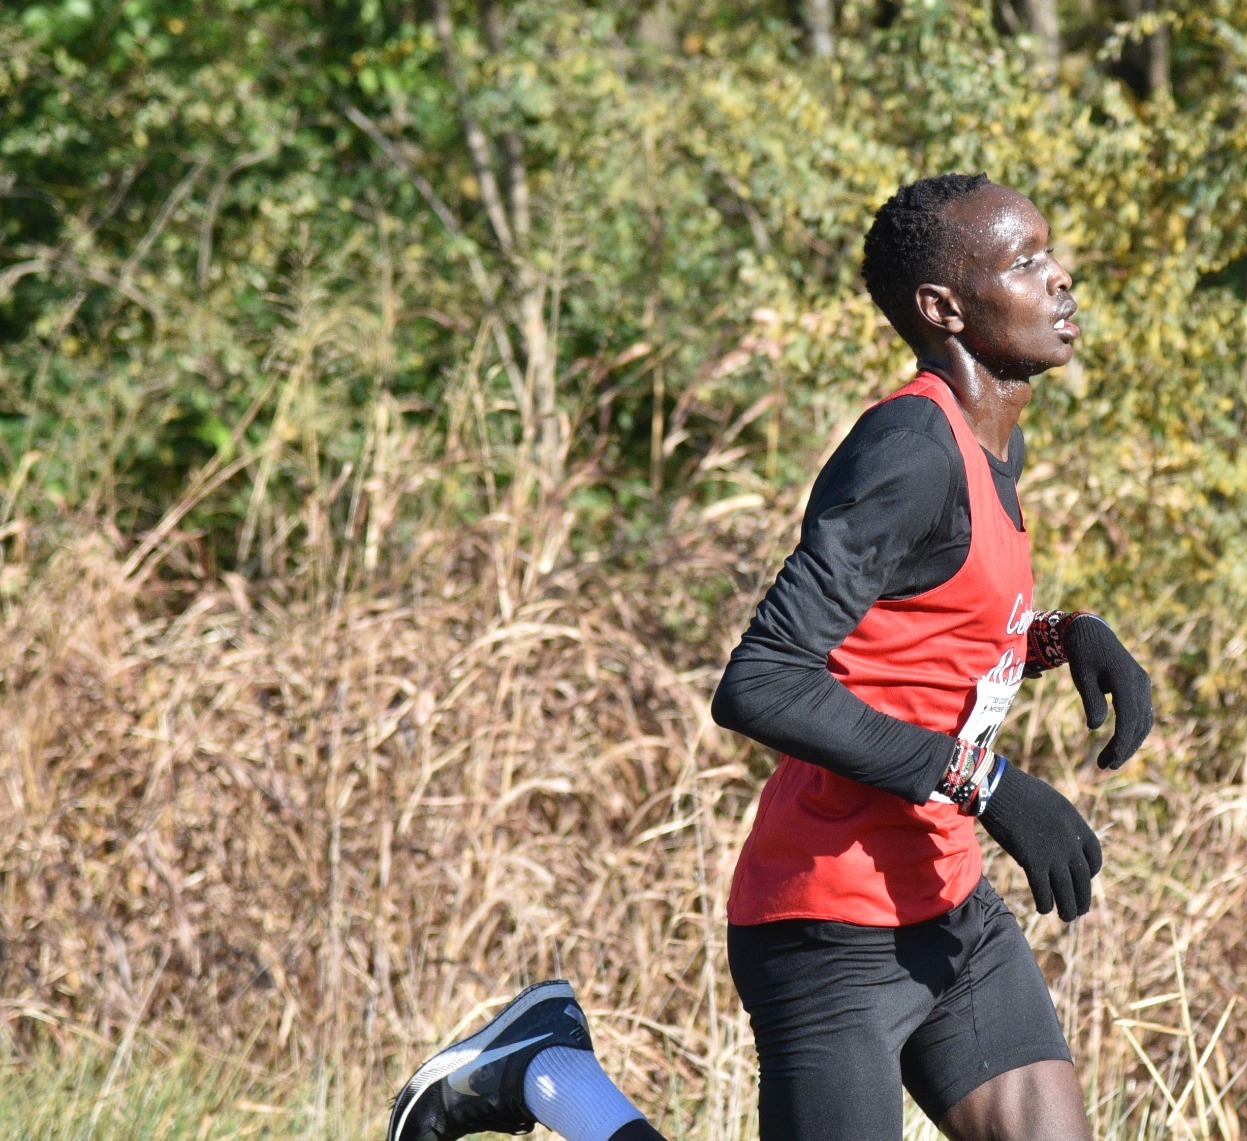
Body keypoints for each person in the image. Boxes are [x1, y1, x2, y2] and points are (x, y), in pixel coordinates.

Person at [387, 174, 1154, 1141]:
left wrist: (1063, 635)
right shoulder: (911, 447)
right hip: (831, 923)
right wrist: (990, 783)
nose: (1062, 279)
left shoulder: (990, 442)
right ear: (942, 308)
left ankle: (547, 1068)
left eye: (1052, 253)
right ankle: (548, 1076)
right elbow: (763, 680)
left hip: (951, 904)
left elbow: (930, 621)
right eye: (1027, 262)